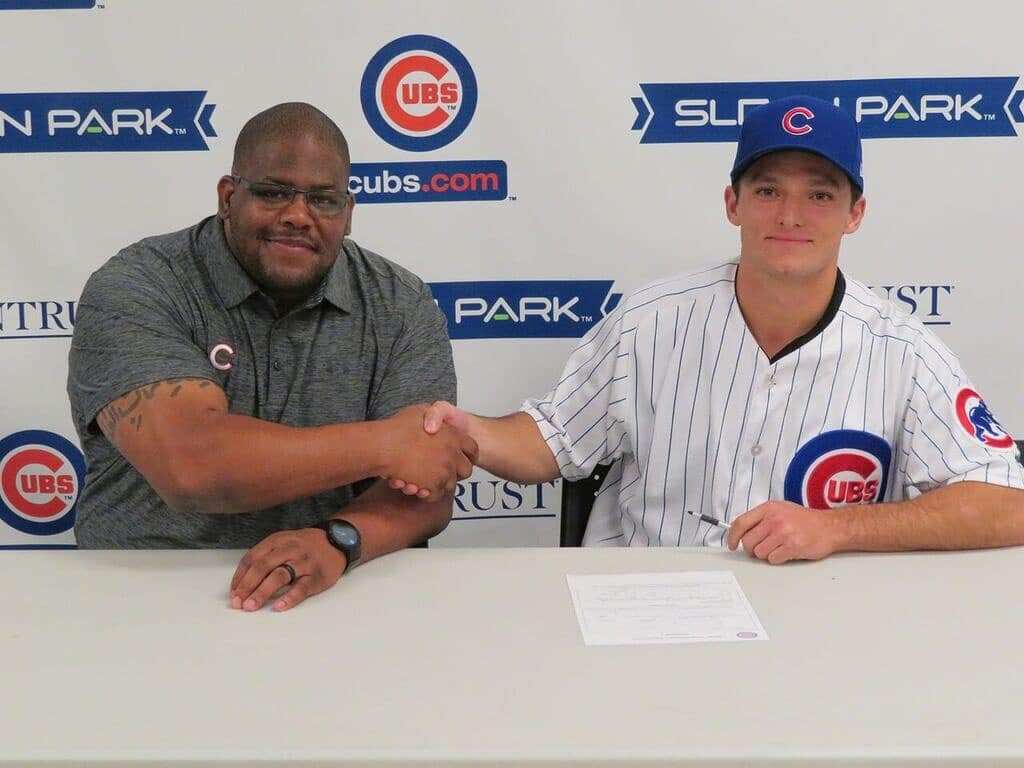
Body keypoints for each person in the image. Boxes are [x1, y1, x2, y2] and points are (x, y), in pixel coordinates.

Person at [390, 95, 1024, 562]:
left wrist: (838, 528)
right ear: (733, 204)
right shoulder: (650, 320)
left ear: (854, 214)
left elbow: (1005, 503)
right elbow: (553, 441)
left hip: (818, 614)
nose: (791, 215)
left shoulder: (902, 350)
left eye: (820, 194)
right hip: (643, 598)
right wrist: (469, 431)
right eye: (768, 190)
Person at [67, 102, 477, 611]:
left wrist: (339, 540)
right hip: (142, 590)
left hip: (337, 588)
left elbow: (428, 481)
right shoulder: (139, 285)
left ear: (348, 214)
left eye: (323, 200)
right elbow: (191, 464)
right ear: (228, 197)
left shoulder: (400, 303)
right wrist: (388, 443)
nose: (298, 216)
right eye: (273, 192)